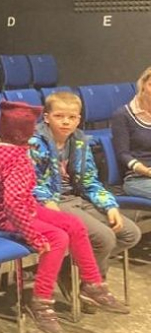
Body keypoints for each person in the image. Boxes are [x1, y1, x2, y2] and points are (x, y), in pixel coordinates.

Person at [0, 101, 128, 333]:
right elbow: (12, 204)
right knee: (57, 237)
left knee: (74, 224)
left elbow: (19, 201)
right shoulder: (18, 159)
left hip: (21, 208)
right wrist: (33, 236)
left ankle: (92, 284)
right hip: (4, 216)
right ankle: (41, 300)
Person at [31, 91, 141, 295]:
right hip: (51, 202)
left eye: (71, 117)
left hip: (76, 198)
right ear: (46, 117)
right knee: (104, 238)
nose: (66, 122)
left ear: (78, 119)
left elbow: (89, 180)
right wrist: (46, 201)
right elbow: (30, 180)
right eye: (59, 116)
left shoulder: (80, 141)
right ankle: (94, 285)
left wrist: (109, 205)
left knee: (129, 234)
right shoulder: (35, 143)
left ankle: (69, 267)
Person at [110, 65, 151, 200]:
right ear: (143, 85)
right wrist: (146, 171)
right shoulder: (123, 115)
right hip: (138, 178)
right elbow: (123, 154)